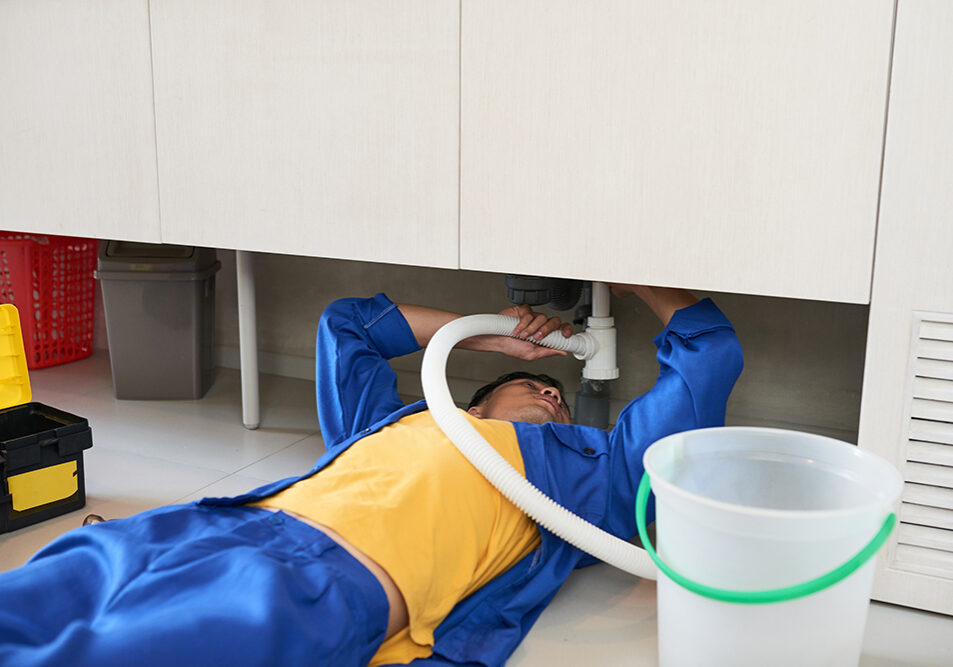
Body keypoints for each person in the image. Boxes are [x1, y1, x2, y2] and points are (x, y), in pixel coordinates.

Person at [0, 284, 742, 667]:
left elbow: (707, 355)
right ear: (476, 395)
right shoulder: (395, 419)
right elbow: (346, 324)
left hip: (323, 582)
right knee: (30, 600)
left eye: (555, 397)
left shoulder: (585, 480)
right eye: (531, 385)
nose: (551, 394)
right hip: (206, 525)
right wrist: (485, 329)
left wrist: (644, 280)